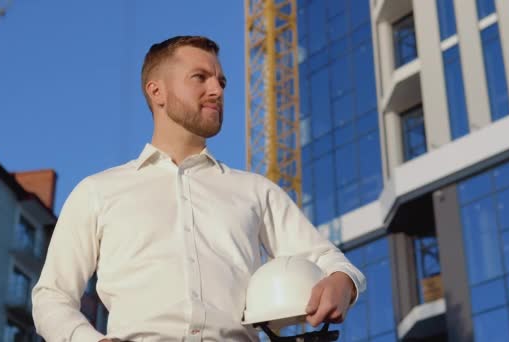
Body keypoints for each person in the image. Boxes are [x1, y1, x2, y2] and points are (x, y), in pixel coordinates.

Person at [32, 35, 366, 342]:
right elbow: (52, 296)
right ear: (156, 91)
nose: (217, 90)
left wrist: (342, 282)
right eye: (200, 78)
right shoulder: (97, 192)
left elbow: (333, 263)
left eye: (221, 82)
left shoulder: (255, 191)